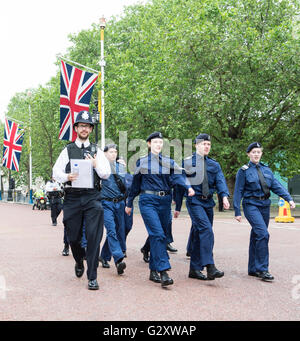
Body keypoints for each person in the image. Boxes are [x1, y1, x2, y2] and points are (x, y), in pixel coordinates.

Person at [125, 132, 194, 287]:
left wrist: (188, 187)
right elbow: (135, 184)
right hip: (148, 201)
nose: (158, 144)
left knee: (160, 235)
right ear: (149, 144)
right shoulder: (141, 162)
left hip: (165, 202)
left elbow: (178, 178)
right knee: (157, 234)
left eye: (160, 142)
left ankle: (153, 271)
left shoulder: (169, 162)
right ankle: (163, 271)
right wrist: (129, 203)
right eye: (155, 142)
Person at [52, 110, 111, 290]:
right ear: (76, 128)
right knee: (73, 237)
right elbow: (56, 173)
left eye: (87, 126)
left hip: (92, 197)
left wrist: (96, 164)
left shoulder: (97, 151)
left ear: (91, 129)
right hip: (72, 198)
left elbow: (106, 174)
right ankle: (79, 260)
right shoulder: (68, 150)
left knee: (94, 237)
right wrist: (67, 176)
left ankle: (92, 276)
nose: (84, 129)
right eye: (81, 126)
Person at [233, 142, 296, 282]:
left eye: (258, 152)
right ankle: (262, 269)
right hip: (251, 204)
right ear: (248, 154)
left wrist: (289, 199)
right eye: (253, 152)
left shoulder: (267, 170)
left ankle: (252, 268)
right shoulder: (243, 171)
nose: (256, 154)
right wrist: (237, 210)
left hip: (265, 205)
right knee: (263, 233)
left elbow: (276, 186)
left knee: (257, 234)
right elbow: (238, 191)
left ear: (261, 154)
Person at [174, 133, 230, 281]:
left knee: (201, 234)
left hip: (208, 202)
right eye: (203, 144)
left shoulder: (214, 164)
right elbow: (180, 183)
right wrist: (178, 206)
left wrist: (224, 196)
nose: (206, 146)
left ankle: (194, 269)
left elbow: (220, 181)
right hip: (195, 202)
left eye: (208, 144)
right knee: (206, 230)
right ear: (196, 145)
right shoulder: (187, 162)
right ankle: (210, 266)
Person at [98, 144, 127, 275]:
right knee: (111, 230)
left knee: (117, 230)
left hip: (120, 203)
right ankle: (118, 259)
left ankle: (104, 256)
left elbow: (127, 185)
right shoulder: (100, 167)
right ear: (104, 154)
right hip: (106, 203)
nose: (114, 154)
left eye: (115, 151)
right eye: (111, 152)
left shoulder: (121, 167)